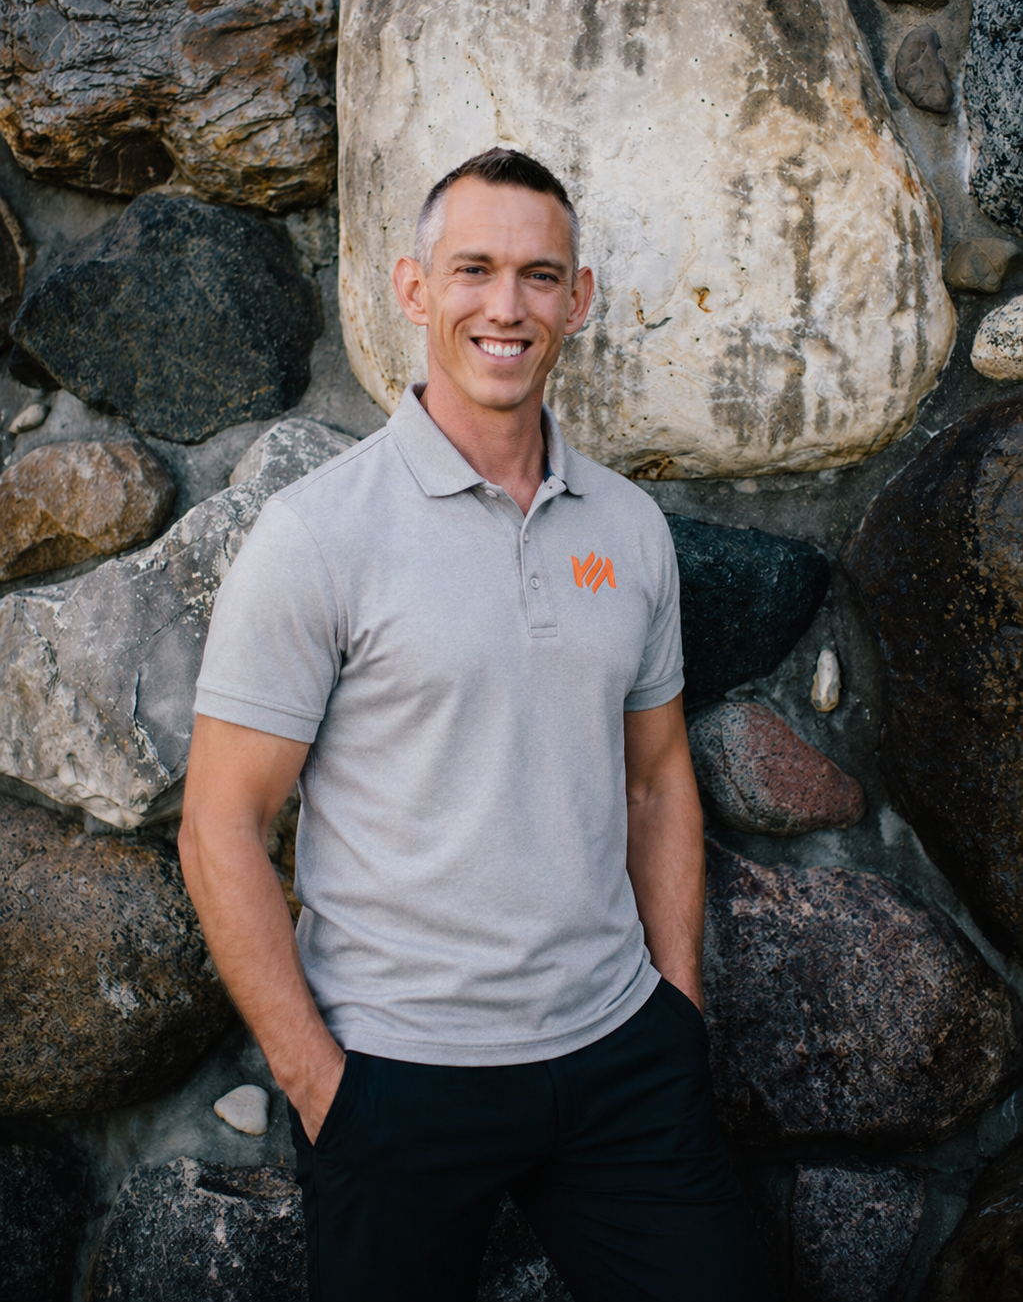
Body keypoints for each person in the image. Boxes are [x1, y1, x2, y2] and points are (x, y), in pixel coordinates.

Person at [180, 147, 757, 1302]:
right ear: (412, 288)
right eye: (474, 269)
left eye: (540, 275)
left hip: (618, 1058)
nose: (507, 306)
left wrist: (675, 1011)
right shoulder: (318, 536)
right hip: (399, 1077)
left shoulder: (631, 529)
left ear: (578, 300)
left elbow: (654, 779)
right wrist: (322, 1088)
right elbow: (220, 828)